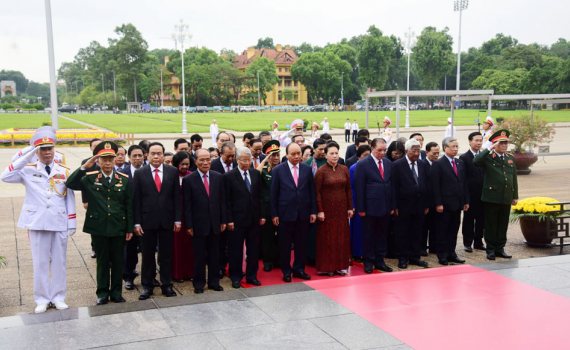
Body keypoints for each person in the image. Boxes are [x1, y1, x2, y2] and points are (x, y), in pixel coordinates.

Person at [1, 130, 76, 313]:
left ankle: (58, 297)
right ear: (36, 151)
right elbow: (5, 176)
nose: (47, 152)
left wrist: (71, 222)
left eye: (50, 148)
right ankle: (41, 299)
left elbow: (70, 198)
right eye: (42, 149)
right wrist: (27, 154)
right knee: (40, 262)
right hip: (37, 222)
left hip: (58, 221)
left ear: (54, 149)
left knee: (60, 261)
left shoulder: (64, 171)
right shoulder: (27, 170)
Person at [66, 141, 133, 305]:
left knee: (117, 261)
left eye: (111, 158)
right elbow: (70, 184)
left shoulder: (123, 179)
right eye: (104, 159)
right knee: (102, 261)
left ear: (116, 159)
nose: (108, 163)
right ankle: (102, 292)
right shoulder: (90, 178)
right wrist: (84, 167)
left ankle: (116, 292)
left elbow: (128, 205)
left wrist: (129, 228)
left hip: (118, 226)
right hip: (98, 226)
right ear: (98, 161)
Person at [133, 142, 182, 300]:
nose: (156, 156)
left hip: (167, 219)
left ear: (163, 155)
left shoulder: (172, 171)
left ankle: (167, 284)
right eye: (153, 153)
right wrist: (137, 223)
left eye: (159, 153)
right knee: (147, 255)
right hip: (147, 220)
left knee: (166, 254)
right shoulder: (140, 173)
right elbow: (137, 200)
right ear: (147, 155)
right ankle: (147, 286)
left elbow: (176, 198)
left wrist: (177, 219)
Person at [271, 142, 317, 282]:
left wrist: (313, 211)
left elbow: (311, 192)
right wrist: (274, 214)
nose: (297, 156)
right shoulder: (278, 170)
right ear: (287, 155)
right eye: (293, 154)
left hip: (303, 213)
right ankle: (286, 271)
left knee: (301, 243)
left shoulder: (306, 169)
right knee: (285, 245)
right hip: (285, 213)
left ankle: (299, 269)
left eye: (299, 153)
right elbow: (274, 193)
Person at [182, 149, 226, 293]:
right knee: (199, 256)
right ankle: (199, 284)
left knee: (215, 255)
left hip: (215, 223)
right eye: (202, 160)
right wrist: (189, 225)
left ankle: (214, 282)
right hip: (198, 224)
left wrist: (223, 220)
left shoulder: (218, 177)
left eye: (208, 159)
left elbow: (222, 201)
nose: (206, 162)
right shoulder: (189, 180)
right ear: (195, 162)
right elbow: (187, 205)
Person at [473, 129, 519, 260]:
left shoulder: (510, 158)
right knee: (491, 224)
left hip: (506, 196)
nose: (504, 145)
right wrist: (489, 148)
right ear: (495, 144)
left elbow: (513, 178)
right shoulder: (488, 157)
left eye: (506, 143)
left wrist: (515, 195)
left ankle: (500, 248)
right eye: (501, 143)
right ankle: (491, 249)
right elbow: (476, 161)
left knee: (502, 224)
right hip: (492, 197)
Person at [224, 147, 264, 288]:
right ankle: (235, 276)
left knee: (253, 250)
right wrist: (229, 220)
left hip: (254, 219)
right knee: (236, 250)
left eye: (249, 160)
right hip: (236, 220)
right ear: (237, 160)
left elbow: (259, 197)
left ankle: (252, 276)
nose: (247, 163)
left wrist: (262, 215)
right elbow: (227, 201)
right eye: (244, 160)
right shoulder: (229, 176)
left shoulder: (255, 174)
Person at [354, 138, 395, 273]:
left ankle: (379, 260)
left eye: (384, 150)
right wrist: (361, 208)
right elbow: (359, 187)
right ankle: (368, 261)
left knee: (382, 235)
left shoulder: (388, 163)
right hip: (369, 208)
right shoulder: (363, 164)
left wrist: (392, 206)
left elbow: (391, 186)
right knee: (369, 236)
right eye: (379, 150)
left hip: (385, 207)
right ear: (372, 149)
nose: (382, 153)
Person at [315, 142, 353, 276]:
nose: (334, 156)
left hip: (342, 209)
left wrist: (350, 207)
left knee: (341, 237)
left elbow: (348, 189)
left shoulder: (344, 169)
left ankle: (339, 266)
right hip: (327, 210)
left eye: (336, 153)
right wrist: (320, 210)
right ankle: (327, 267)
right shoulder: (321, 171)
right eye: (331, 153)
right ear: (325, 155)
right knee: (328, 238)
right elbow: (317, 192)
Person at [430, 137, 469, 265]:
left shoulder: (460, 163)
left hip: (457, 203)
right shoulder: (438, 163)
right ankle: (442, 255)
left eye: (457, 147)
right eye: (453, 147)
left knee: (453, 229)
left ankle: (452, 253)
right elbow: (435, 185)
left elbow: (463, 183)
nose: (455, 149)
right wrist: (438, 203)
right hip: (444, 204)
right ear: (445, 147)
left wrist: (466, 201)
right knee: (442, 230)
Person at [392, 139, 430, 269]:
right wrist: (395, 206)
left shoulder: (422, 164)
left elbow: (426, 184)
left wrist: (426, 204)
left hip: (419, 205)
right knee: (403, 233)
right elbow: (394, 187)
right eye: (414, 151)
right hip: (403, 206)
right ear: (407, 151)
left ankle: (415, 256)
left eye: (418, 150)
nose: (416, 153)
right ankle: (403, 258)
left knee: (417, 232)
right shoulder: (397, 165)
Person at [121, 145, 145, 290]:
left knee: (147, 249)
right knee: (129, 249)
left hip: (146, 216)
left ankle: (149, 276)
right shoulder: (122, 174)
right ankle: (128, 276)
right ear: (129, 157)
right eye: (134, 156)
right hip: (129, 217)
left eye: (140, 155)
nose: (137, 158)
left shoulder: (148, 172)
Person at [460, 132, 486, 252]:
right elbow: (463, 179)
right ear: (470, 142)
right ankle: (467, 242)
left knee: (481, 219)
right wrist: (465, 198)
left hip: (483, 194)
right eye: (476, 140)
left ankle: (478, 241)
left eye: (480, 140)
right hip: (470, 194)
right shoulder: (464, 158)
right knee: (469, 220)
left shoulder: (485, 156)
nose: (479, 143)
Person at [257, 140, 281, 271]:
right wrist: (264, 162)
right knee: (268, 236)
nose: (276, 158)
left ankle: (278, 259)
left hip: (281, 207)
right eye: (272, 155)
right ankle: (268, 261)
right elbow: (254, 175)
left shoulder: (283, 168)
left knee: (280, 236)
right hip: (267, 208)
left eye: (278, 154)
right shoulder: (264, 169)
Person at [171, 151, 194, 282]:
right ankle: (177, 274)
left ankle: (189, 273)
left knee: (189, 246)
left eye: (187, 164)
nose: (185, 167)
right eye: (182, 164)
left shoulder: (191, 176)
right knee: (176, 246)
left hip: (189, 215)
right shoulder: (172, 175)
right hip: (176, 215)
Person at [349, 145, 371, 261]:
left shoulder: (372, 166)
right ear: (359, 156)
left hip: (371, 202)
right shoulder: (353, 168)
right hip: (358, 202)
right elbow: (351, 187)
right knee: (358, 229)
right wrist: (352, 205)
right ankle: (357, 252)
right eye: (364, 156)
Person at [422, 141, 440, 256]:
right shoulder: (422, 164)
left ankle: (434, 246)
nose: (436, 156)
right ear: (427, 152)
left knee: (435, 225)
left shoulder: (439, 164)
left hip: (436, 201)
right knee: (424, 226)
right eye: (434, 153)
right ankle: (422, 247)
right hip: (425, 201)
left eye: (438, 153)